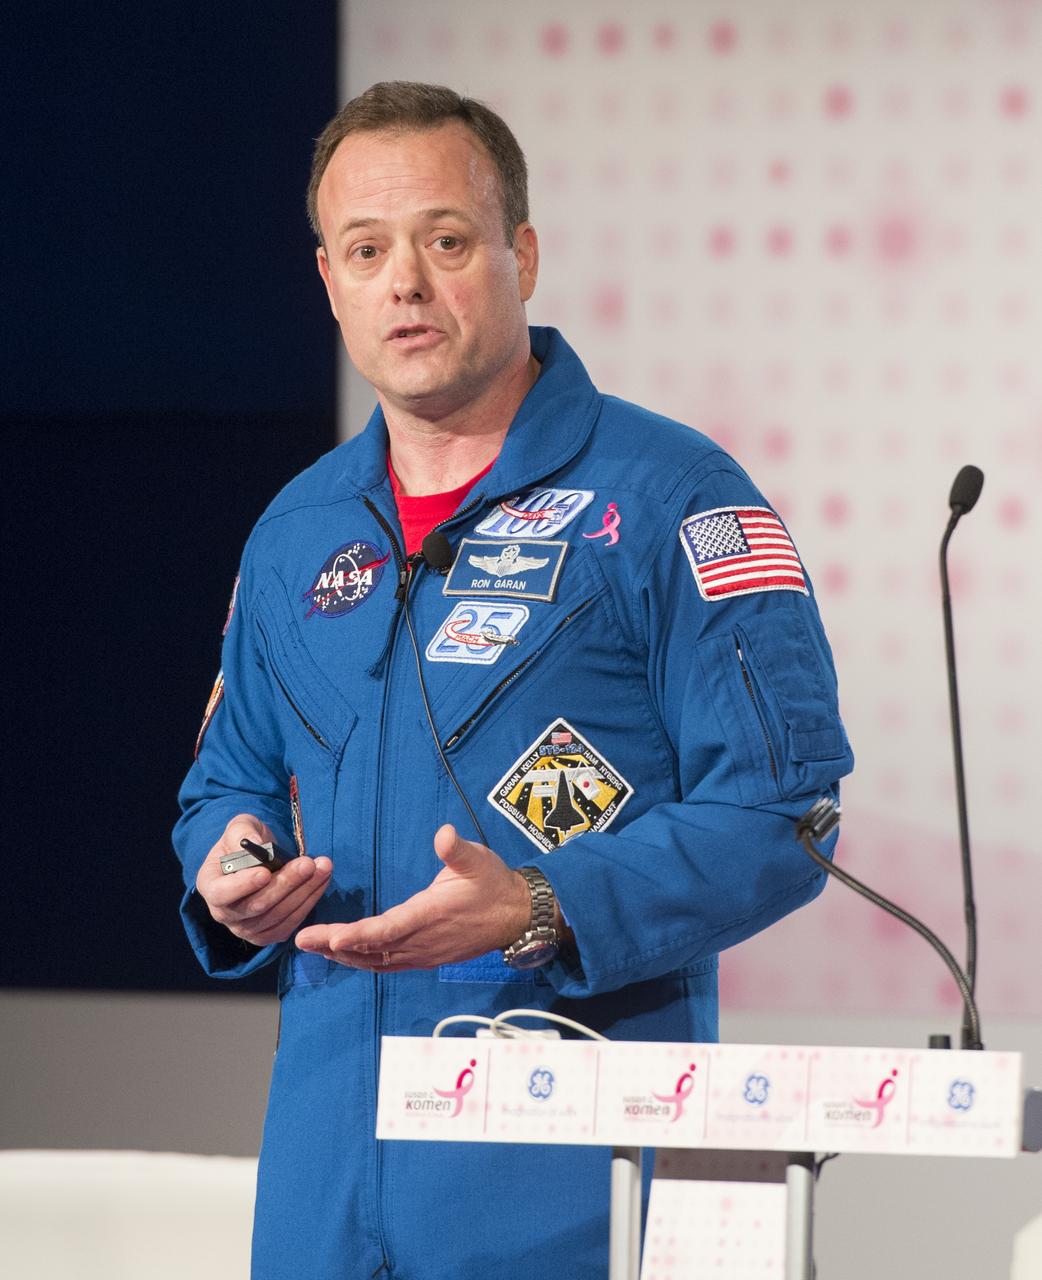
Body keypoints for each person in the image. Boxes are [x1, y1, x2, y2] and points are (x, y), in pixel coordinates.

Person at [174, 81, 854, 1280]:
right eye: (366, 250)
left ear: (520, 254)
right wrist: (230, 855)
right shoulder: (294, 531)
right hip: (325, 1174)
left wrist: (544, 903)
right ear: (327, 279)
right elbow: (228, 775)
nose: (406, 283)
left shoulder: (674, 497)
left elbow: (784, 815)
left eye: (444, 241)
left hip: (570, 1176)